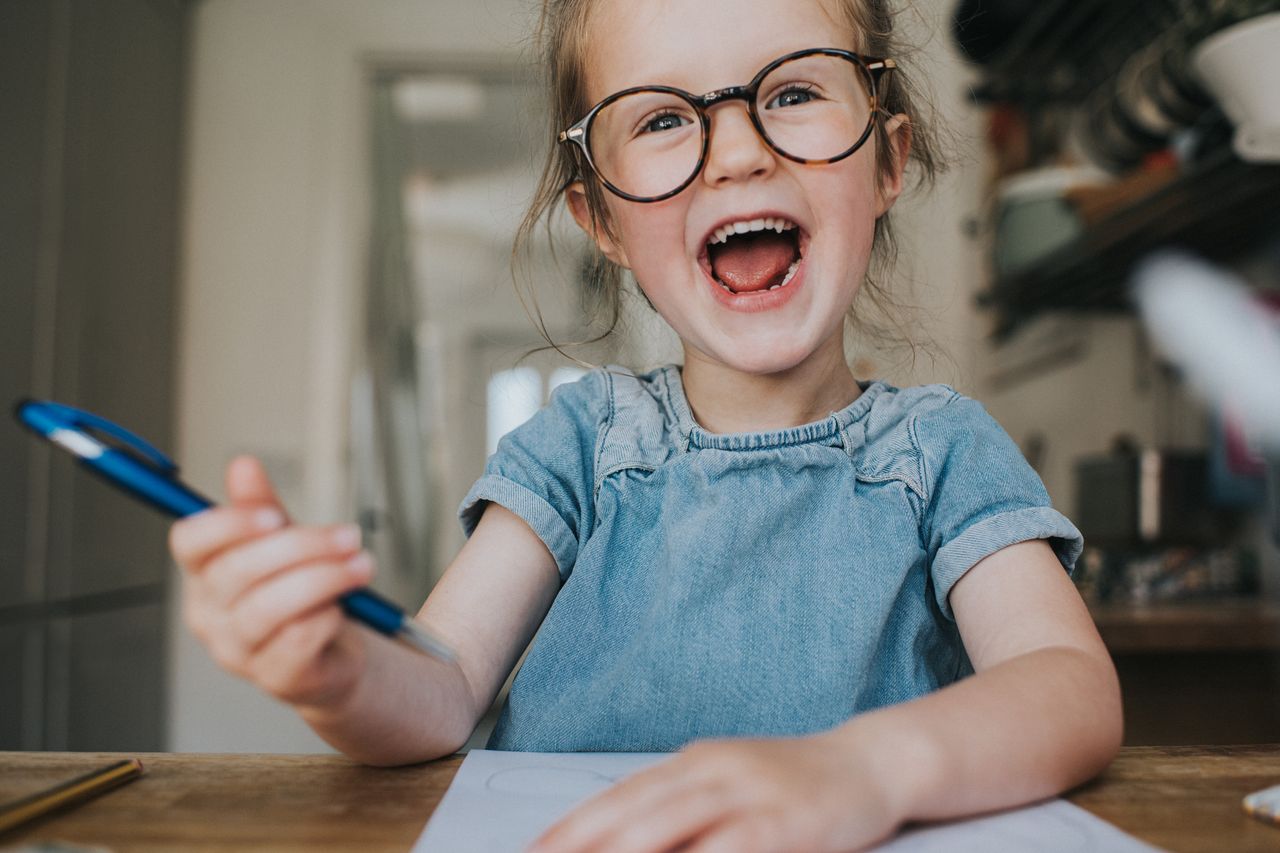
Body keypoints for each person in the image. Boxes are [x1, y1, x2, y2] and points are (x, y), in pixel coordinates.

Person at [169, 0, 1123, 849]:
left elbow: (1068, 685)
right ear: (604, 221)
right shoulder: (583, 445)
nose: (742, 149)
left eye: (793, 92)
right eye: (665, 118)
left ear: (888, 162)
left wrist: (865, 769)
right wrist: (335, 673)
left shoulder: (942, 452)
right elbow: (441, 687)